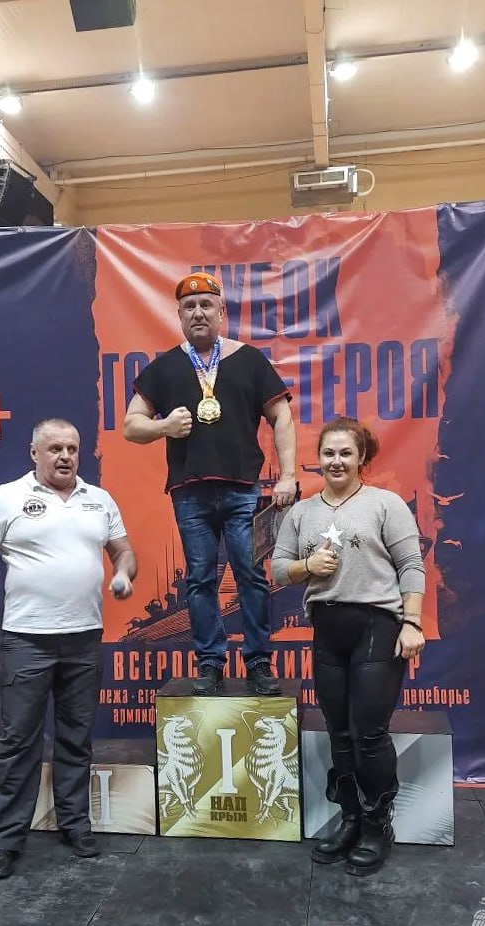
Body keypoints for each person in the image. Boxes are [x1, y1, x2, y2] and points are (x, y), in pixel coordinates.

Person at [0, 418, 136, 880]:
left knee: (76, 738)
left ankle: (75, 826)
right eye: (55, 448)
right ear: (34, 453)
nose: (65, 456)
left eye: (72, 449)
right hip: (27, 641)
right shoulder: (6, 497)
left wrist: (123, 572)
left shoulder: (99, 500)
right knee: (18, 742)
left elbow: (124, 551)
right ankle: (5, 839)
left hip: (84, 638)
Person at [123, 272, 296, 696]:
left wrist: (289, 475)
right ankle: (210, 663)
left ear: (221, 312)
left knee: (251, 576)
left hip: (242, 489)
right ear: (179, 315)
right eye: (189, 307)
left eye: (206, 305)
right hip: (190, 491)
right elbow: (131, 425)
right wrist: (164, 426)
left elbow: (282, 417)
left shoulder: (249, 360)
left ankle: (258, 662)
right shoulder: (166, 367)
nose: (198, 313)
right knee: (199, 579)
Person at [271, 417, 425, 875]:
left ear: (361, 459)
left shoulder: (385, 504)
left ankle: (377, 825)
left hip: (377, 626)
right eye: (328, 453)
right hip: (328, 628)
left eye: (345, 453)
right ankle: (351, 817)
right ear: (317, 459)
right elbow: (278, 570)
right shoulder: (301, 513)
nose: (336, 461)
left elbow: (412, 565)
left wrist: (412, 622)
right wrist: (307, 566)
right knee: (338, 732)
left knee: (368, 733)